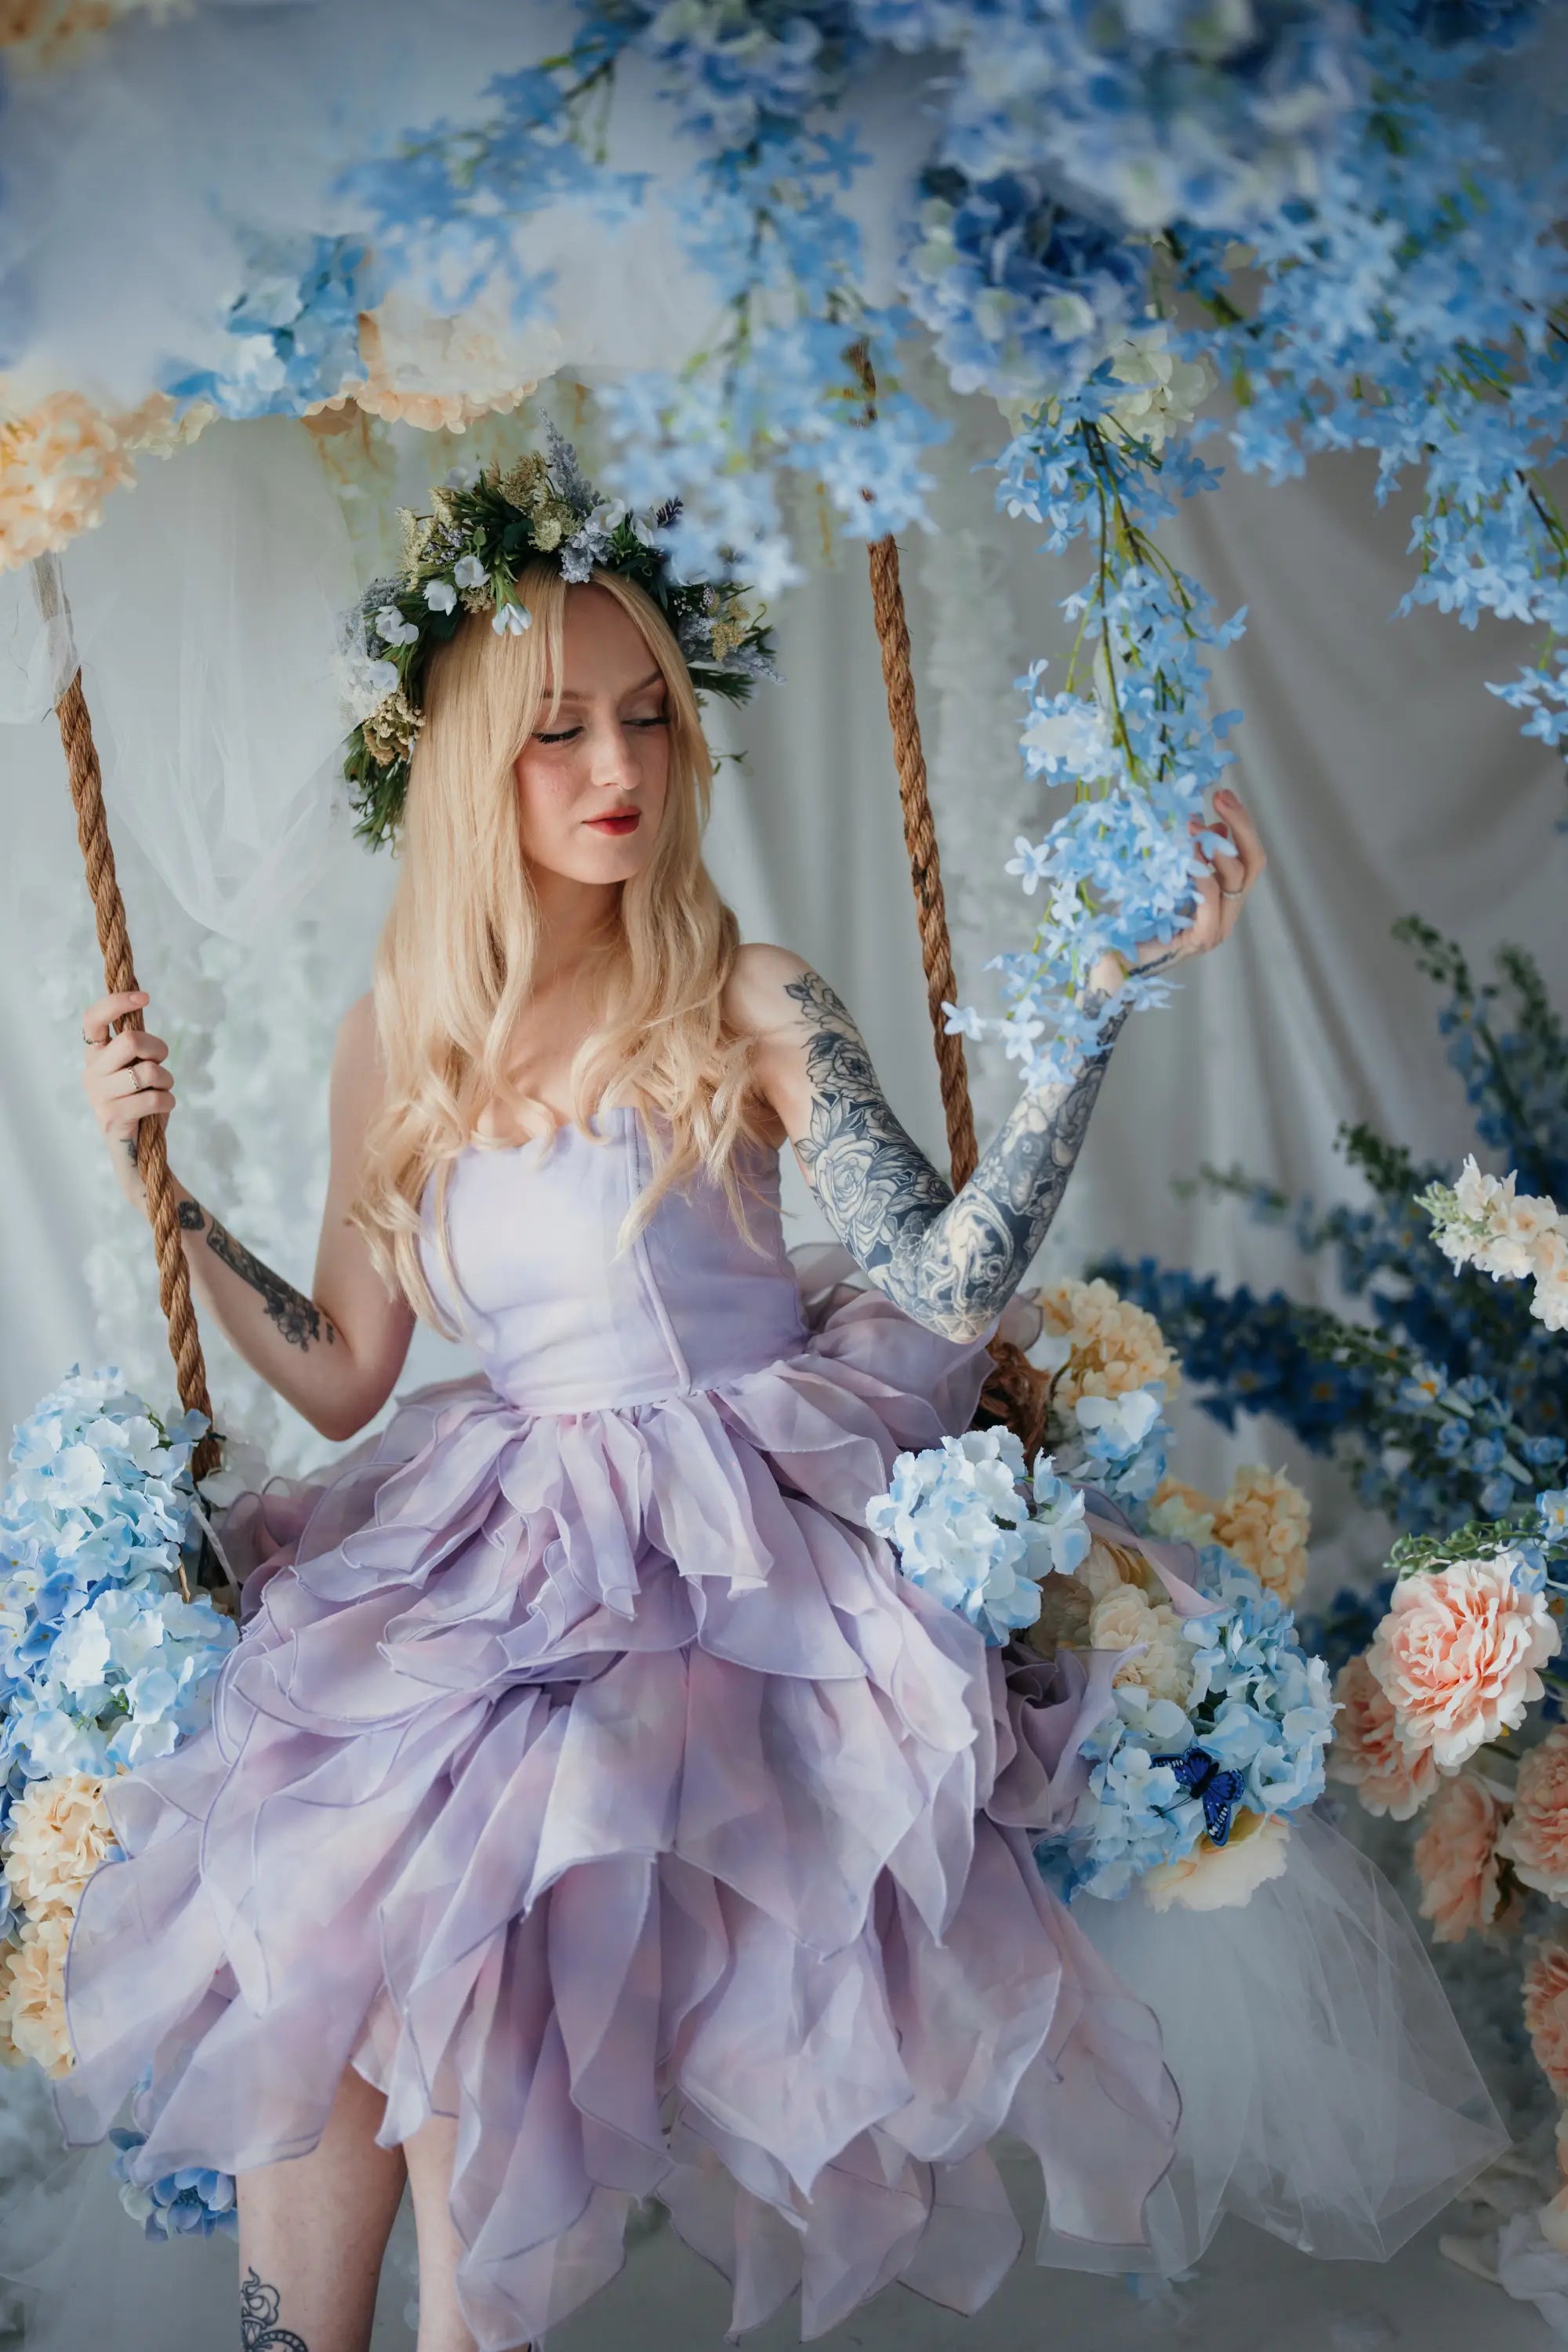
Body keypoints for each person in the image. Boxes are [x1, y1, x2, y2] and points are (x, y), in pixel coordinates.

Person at [60, 507, 1490, 2352]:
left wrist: (1094, 1011)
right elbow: (346, 1371)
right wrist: (162, 1190)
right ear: (472, 764)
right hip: (507, 1521)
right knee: (322, 1863)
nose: (618, 766)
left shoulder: (739, 995)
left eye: (651, 717)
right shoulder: (392, 1041)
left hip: (733, 1538)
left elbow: (949, 1277)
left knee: (485, 1894)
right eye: (561, 727)